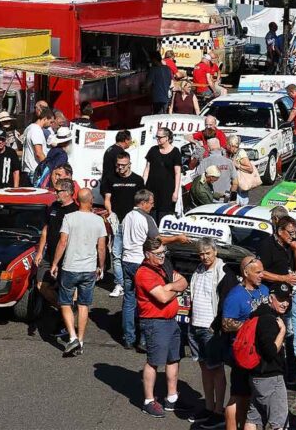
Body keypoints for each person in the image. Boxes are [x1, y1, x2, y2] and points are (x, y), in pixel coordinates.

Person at [120, 190, 188, 350]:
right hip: (140, 262)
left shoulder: (127, 216)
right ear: (143, 203)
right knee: (147, 299)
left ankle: (128, 338)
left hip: (126, 260)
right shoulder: (147, 218)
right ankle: (144, 340)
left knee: (129, 301)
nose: (152, 205)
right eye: (151, 203)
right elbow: (158, 241)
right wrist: (177, 238)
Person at [50, 188, 107, 357]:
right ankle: (80, 341)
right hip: (89, 269)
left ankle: (72, 337)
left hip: (70, 267)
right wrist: (101, 266)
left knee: (66, 302)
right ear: (90, 201)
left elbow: (62, 242)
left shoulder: (69, 217)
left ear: (78, 199)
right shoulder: (98, 221)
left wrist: (54, 263)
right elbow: (102, 247)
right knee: (84, 305)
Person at [136, 237, 188, 418]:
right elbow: (162, 298)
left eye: (163, 253)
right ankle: (149, 401)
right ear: (147, 254)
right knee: (154, 361)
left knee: (173, 358)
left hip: (171, 321)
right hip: (155, 322)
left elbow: (183, 282)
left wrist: (170, 287)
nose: (162, 257)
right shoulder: (144, 273)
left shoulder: (163, 266)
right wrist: (175, 289)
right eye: (157, 254)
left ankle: (171, 398)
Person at [187, 238, 235, 429]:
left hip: (211, 328)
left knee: (216, 369)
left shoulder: (223, 272)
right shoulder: (198, 270)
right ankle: (208, 407)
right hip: (195, 325)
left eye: (208, 253)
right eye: (201, 254)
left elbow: (226, 302)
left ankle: (218, 410)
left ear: (215, 252)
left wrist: (216, 326)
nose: (205, 257)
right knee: (204, 369)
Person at [258, 216, 296, 380]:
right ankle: (279, 371)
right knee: (279, 333)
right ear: (280, 231)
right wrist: (283, 279)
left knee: (290, 333)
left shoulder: (287, 247)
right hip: (273, 297)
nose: (293, 237)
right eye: (291, 233)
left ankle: (291, 373)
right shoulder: (267, 246)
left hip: (287, 295)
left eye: (295, 233)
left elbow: (288, 271)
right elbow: (261, 272)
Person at [222, 256, 269, 430]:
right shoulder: (236, 295)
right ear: (245, 273)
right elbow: (226, 323)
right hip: (242, 352)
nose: (262, 275)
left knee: (252, 395)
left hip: (259, 352)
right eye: (258, 272)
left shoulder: (263, 290)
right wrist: (251, 326)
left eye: (262, 271)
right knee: (238, 395)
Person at [245, 283, 292, 430]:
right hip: (270, 377)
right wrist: (282, 332)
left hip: (256, 375)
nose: (284, 303)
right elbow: (271, 351)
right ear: (271, 298)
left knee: (254, 417)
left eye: (287, 299)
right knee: (279, 422)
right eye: (280, 299)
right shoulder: (269, 320)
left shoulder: (257, 313)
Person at [101, 151, 144, 298]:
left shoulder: (138, 180)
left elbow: (140, 202)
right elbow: (107, 198)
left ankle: (134, 283)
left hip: (132, 222)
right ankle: (119, 283)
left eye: (123, 165)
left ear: (129, 164)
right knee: (116, 254)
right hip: (117, 222)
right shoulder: (110, 178)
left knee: (134, 253)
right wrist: (110, 212)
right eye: (118, 165)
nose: (120, 168)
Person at [34, 179, 77, 311]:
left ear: (68, 192)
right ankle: (65, 310)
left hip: (67, 258)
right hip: (49, 255)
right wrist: (40, 252)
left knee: (67, 290)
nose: (55, 193)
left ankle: (67, 316)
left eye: (57, 191)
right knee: (41, 285)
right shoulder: (52, 207)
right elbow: (46, 229)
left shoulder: (75, 211)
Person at [143, 127, 181, 223]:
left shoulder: (175, 152)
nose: (158, 139)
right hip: (151, 189)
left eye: (160, 137)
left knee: (164, 217)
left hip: (167, 191)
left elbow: (177, 173)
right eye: (157, 137)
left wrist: (176, 192)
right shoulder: (153, 150)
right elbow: (147, 169)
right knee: (150, 216)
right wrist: (143, 186)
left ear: (167, 138)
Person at [22, 107, 53, 185]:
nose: (51, 125)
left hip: (28, 170)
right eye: (50, 121)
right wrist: (48, 169)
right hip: (35, 171)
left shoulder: (29, 128)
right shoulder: (36, 130)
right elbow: (39, 153)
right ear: (45, 119)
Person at [226, 134, 255, 205]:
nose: (234, 149)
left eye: (236, 147)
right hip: (234, 185)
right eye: (232, 146)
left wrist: (237, 165)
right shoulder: (230, 153)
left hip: (240, 186)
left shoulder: (241, 153)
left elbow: (250, 168)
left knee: (240, 205)